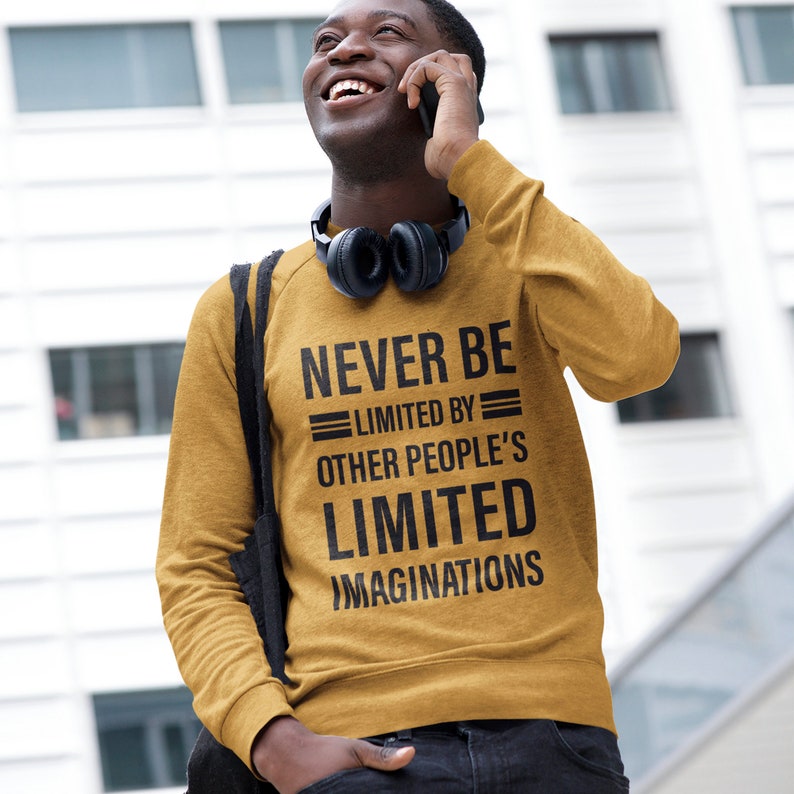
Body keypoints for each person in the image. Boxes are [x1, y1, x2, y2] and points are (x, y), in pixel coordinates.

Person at [156, 0, 680, 791]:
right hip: (351, 749)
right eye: (325, 43)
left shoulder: (528, 259)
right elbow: (194, 564)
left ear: (447, 81)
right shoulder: (242, 310)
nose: (342, 51)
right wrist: (272, 739)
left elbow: (637, 360)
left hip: (554, 742)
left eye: (388, 33)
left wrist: (470, 158)